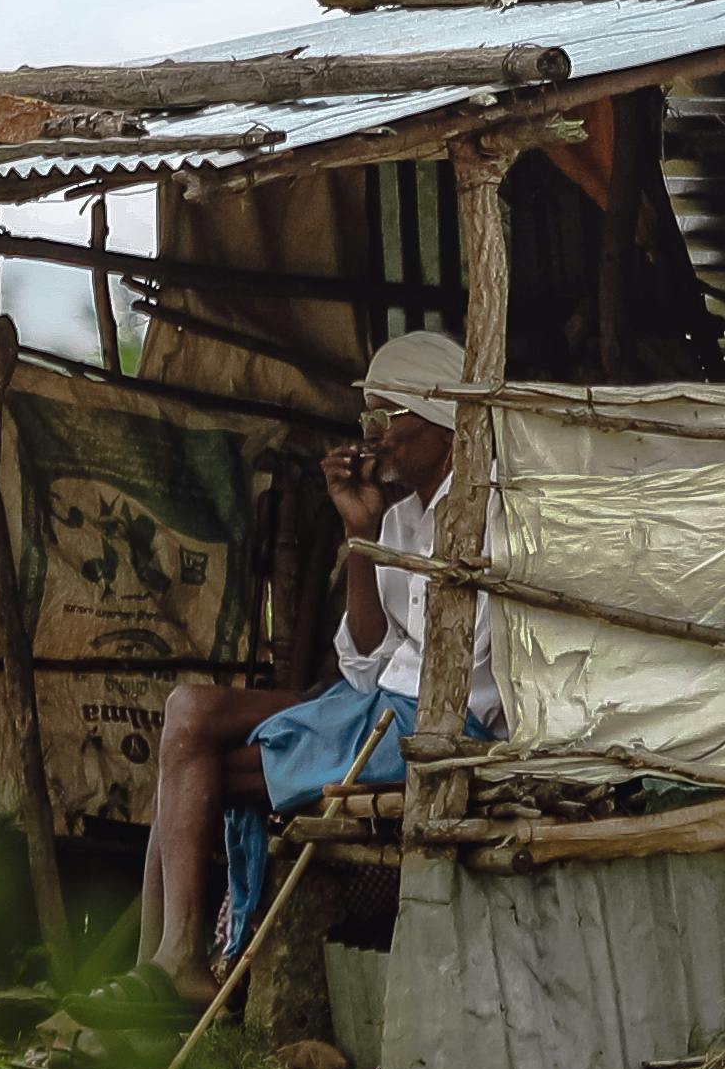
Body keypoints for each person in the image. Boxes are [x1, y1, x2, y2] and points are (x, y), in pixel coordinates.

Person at [86, 329, 500, 1020]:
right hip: (372, 706)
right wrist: (359, 535)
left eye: (384, 418)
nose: (375, 438)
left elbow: (434, 681)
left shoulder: (488, 511)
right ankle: (165, 959)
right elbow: (365, 659)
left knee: (194, 758)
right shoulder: (400, 521)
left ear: (439, 417)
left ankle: (175, 961)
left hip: (429, 723)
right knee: (188, 712)